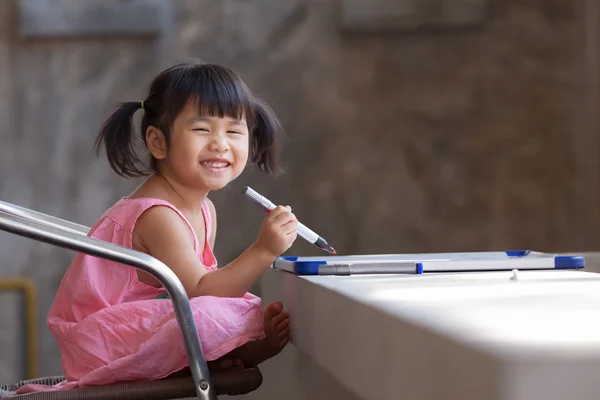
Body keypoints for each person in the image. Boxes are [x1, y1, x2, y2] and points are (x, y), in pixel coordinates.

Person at [18, 60, 297, 393]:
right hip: (102, 342)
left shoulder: (204, 208)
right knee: (212, 311)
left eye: (234, 131)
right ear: (158, 142)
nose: (220, 143)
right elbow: (201, 291)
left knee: (233, 306)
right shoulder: (159, 217)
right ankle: (235, 353)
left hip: (140, 326)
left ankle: (231, 354)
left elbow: (207, 290)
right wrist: (263, 250)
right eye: (202, 129)